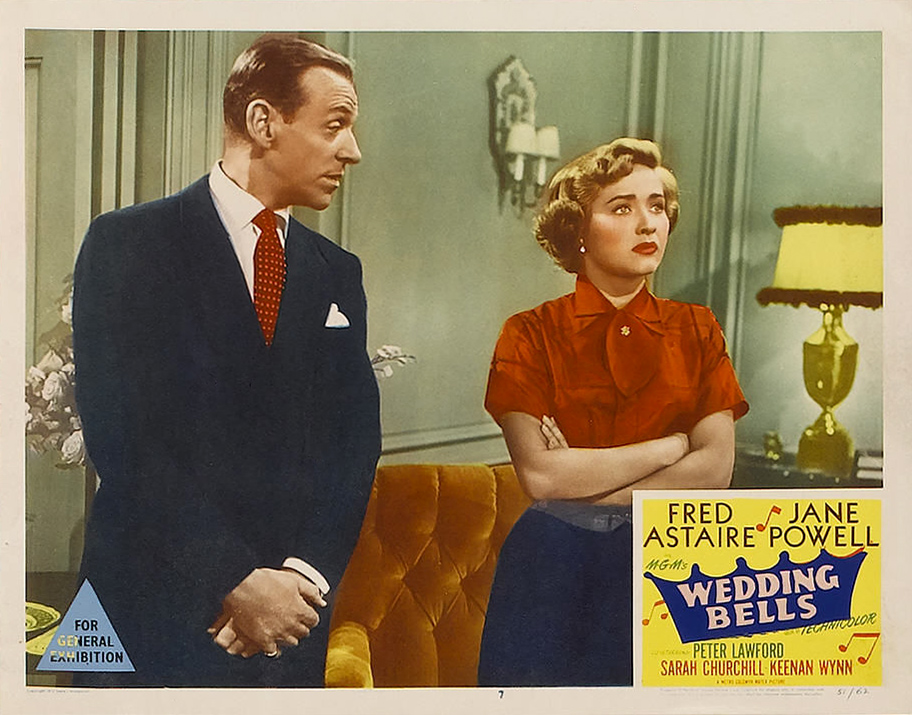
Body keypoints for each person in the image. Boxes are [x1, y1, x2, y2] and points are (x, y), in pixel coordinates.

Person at [72, 35, 381, 687]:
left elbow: (354, 443)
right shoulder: (126, 243)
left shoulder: (337, 271)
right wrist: (235, 579)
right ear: (263, 122)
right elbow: (123, 439)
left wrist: (302, 577)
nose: (352, 150)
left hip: (290, 622)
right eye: (335, 125)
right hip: (147, 605)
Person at [477, 138, 749, 687]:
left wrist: (586, 481)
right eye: (621, 208)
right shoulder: (528, 333)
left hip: (674, 565)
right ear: (577, 229)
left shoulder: (697, 329)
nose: (648, 224)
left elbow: (715, 470)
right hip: (552, 566)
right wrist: (671, 446)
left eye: (657, 206)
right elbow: (542, 476)